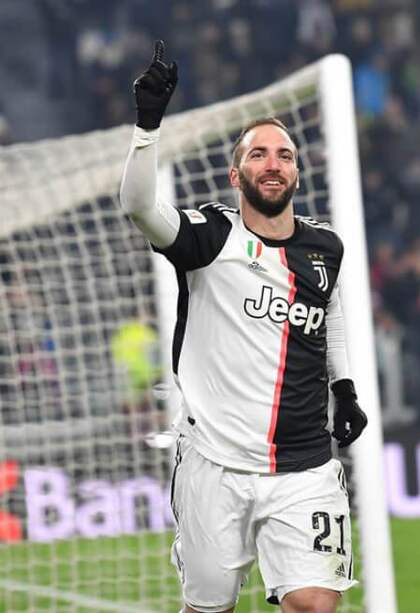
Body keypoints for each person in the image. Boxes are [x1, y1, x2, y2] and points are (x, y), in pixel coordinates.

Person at [119, 41, 367, 613]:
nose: (272, 164)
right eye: (258, 155)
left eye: (283, 154)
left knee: (314, 603)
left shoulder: (324, 246)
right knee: (210, 607)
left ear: (298, 173)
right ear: (236, 174)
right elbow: (138, 207)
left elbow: (329, 317)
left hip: (304, 464)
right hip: (214, 462)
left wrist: (345, 388)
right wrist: (147, 126)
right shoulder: (209, 238)